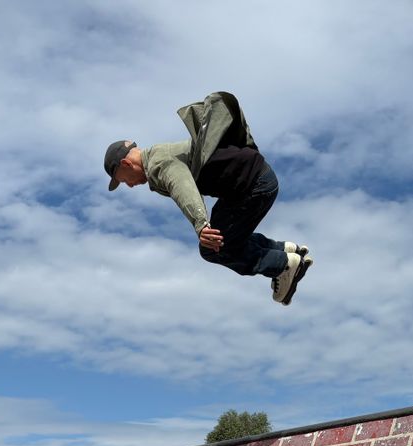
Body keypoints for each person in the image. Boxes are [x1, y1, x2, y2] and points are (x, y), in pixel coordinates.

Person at [103, 92, 313, 305]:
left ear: (126, 164)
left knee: (212, 248)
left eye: (123, 180)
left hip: (252, 184)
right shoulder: (159, 155)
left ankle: (283, 265)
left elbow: (180, 184)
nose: (129, 185)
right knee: (221, 233)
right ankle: (281, 249)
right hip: (249, 183)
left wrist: (201, 224)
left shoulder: (157, 163)